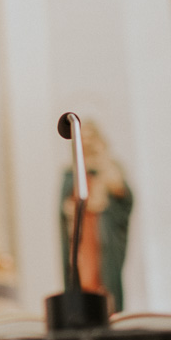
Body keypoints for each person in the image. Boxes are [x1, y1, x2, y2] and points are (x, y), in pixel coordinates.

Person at [59, 121, 133, 312]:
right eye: (83, 138)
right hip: (83, 236)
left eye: (91, 137)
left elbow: (123, 198)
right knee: (83, 277)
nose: (87, 142)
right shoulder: (71, 173)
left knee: (106, 279)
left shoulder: (110, 168)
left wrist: (103, 165)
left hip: (103, 238)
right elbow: (65, 207)